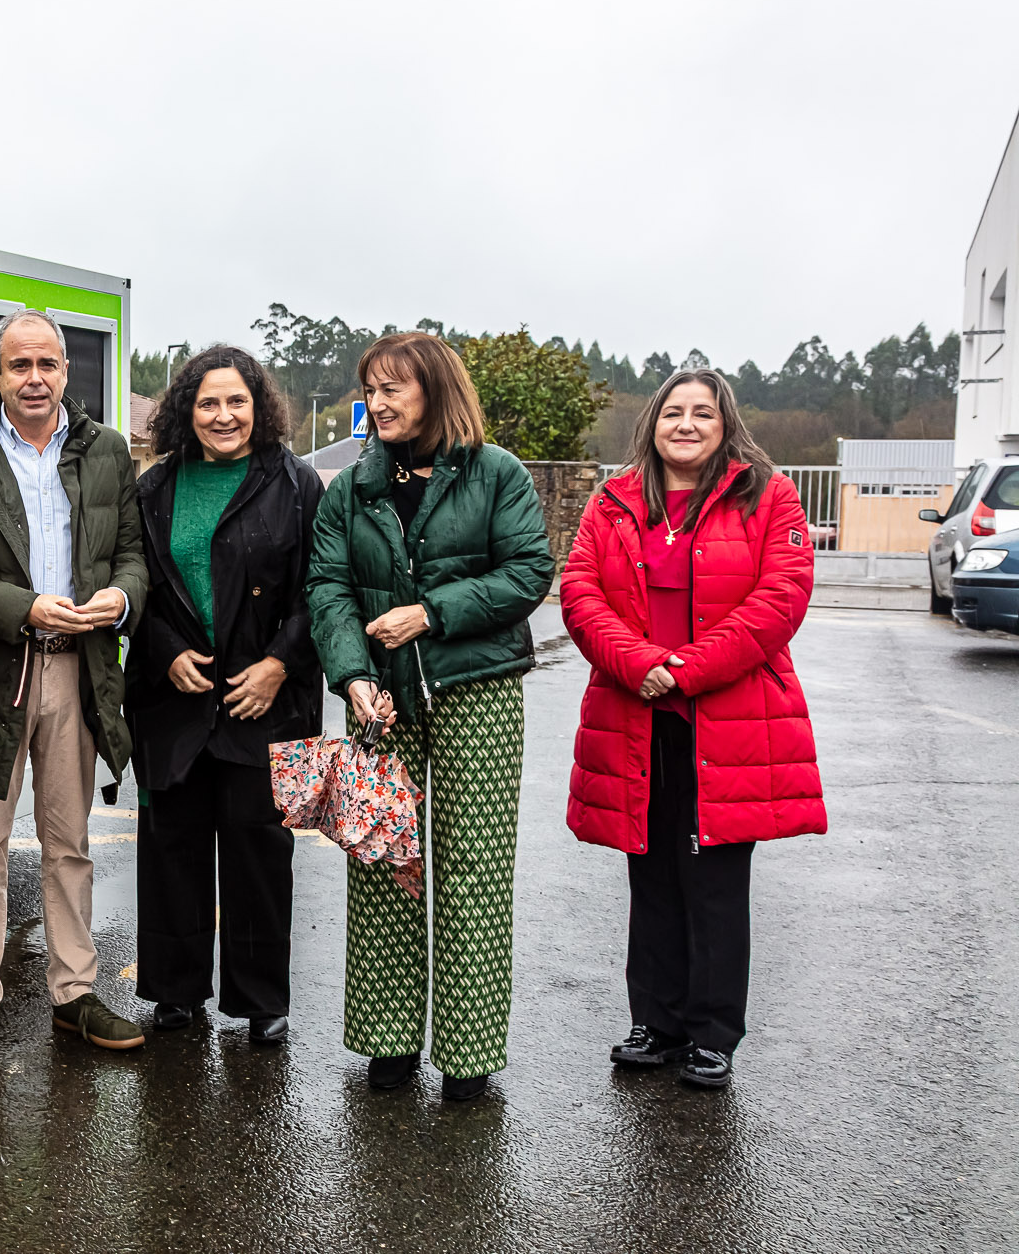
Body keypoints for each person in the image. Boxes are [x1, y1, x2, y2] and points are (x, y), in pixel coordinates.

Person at [306, 331, 553, 1102]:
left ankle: (468, 1052)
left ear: (435, 389)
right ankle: (389, 1039)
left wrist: (430, 613)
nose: (377, 403)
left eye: (393, 388)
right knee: (382, 861)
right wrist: (350, 674)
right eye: (370, 390)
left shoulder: (497, 473)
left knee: (475, 868)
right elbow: (327, 586)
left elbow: (530, 571)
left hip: (478, 691)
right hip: (379, 699)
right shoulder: (352, 487)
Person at [561, 367, 823, 1091]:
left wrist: (686, 671)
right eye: (672, 411)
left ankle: (712, 1033)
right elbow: (580, 591)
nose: (685, 424)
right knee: (650, 876)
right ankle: (657, 1022)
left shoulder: (768, 495)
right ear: (652, 423)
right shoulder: (613, 500)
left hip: (728, 722)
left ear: (724, 423)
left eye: (702, 413)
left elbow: (781, 597)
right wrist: (639, 663)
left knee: (714, 885)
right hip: (635, 716)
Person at [0, 308, 150, 1067]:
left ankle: (74, 992)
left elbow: (132, 553)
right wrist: (23, 607)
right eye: (20, 365)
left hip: (79, 668)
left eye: (48, 364)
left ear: (66, 371)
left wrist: (120, 598)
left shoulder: (106, 449)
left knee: (69, 841)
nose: (36, 378)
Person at [127, 347, 324, 1043]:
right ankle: (174, 990)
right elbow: (136, 585)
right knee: (171, 848)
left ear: (258, 406)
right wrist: (164, 652)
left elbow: (319, 589)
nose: (223, 415)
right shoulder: (155, 488)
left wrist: (279, 664)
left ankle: (261, 999)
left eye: (236, 401)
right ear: (187, 410)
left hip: (263, 701)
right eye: (208, 402)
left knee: (258, 853)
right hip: (175, 699)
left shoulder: (296, 484)